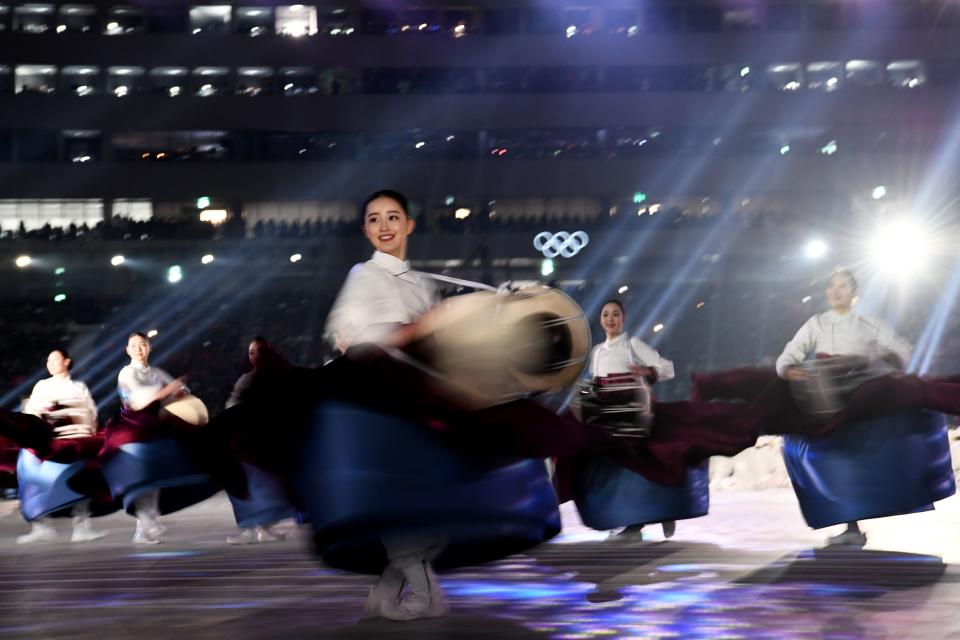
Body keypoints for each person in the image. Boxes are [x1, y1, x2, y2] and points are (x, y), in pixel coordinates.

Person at [586, 299, 676, 541]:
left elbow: (668, 368)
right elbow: (597, 385)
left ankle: (647, 517)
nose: (610, 319)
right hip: (608, 416)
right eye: (606, 314)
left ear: (623, 318)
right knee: (615, 466)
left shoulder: (633, 344)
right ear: (600, 319)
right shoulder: (596, 352)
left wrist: (647, 371)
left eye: (615, 314)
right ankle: (633, 516)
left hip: (633, 413)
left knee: (635, 465)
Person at [17, 348, 107, 544]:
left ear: (67, 362)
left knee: (83, 475)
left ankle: (81, 526)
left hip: (76, 439)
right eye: (48, 360)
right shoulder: (42, 385)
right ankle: (41, 525)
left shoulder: (79, 386)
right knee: (27, 469)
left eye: (55, 359)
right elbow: (33, 412)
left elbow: (90, 412)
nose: (50, 363)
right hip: (50, 439)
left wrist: (86, 433)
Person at [115, 332, 192, 544]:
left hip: (156, 426)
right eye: (134, 346)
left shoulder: (156, 372)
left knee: (155, 477)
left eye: (143, 345)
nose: (139, 349)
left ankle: (145, 527)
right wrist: (168, 390)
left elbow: (180, 389)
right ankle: (147, 522)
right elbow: (138, 398)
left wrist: (179, 392)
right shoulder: (126, 373)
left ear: (149, 347)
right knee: (144, 476)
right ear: (127, 350)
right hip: (135, 427)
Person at [224, 337, 291, 545]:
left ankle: (265, 527)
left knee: (277, 485)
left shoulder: (284, 377)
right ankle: (249, 529)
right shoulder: (246, 379)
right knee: (246, 483)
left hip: (273, 439)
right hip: (248, 440)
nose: (255, 356)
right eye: (252, 352)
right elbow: (232, 404)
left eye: (260, 351)